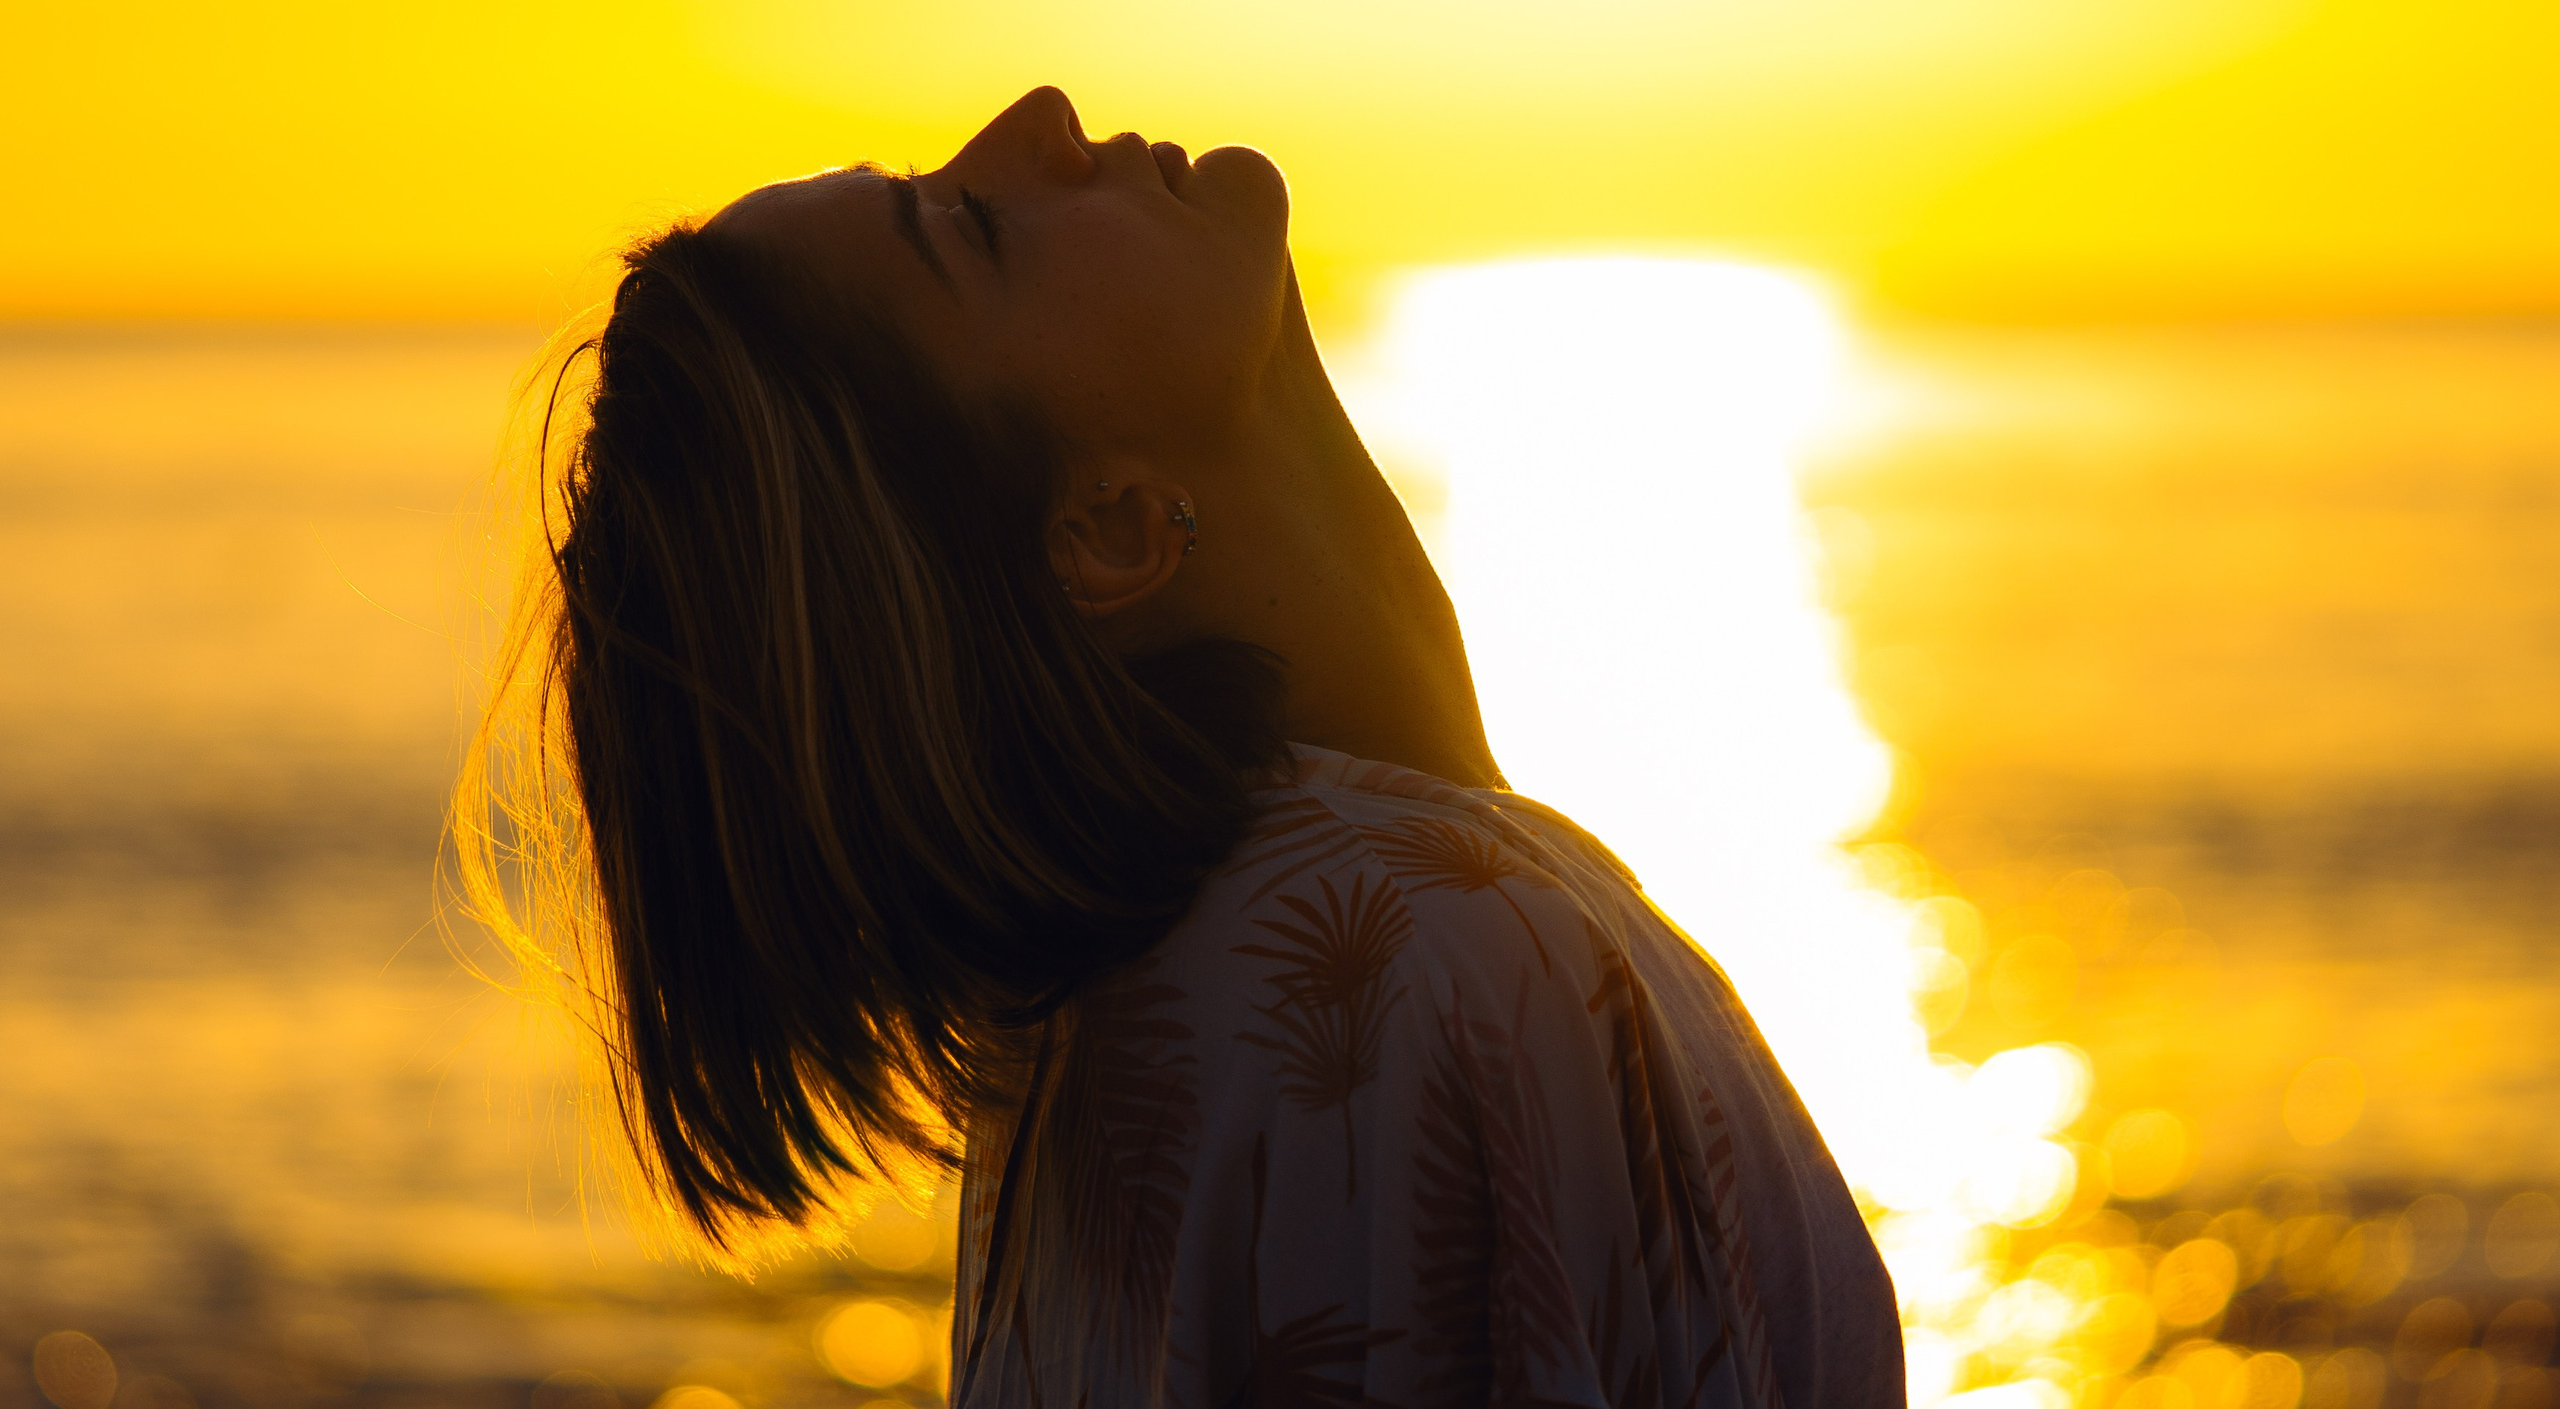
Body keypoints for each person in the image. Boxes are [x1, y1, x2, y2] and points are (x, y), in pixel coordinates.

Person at [455, 86, 1903, 1408]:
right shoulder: (1396, 972)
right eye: (968, 226)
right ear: (1109, 530)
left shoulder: (1176, 1000)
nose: (1034, 119)